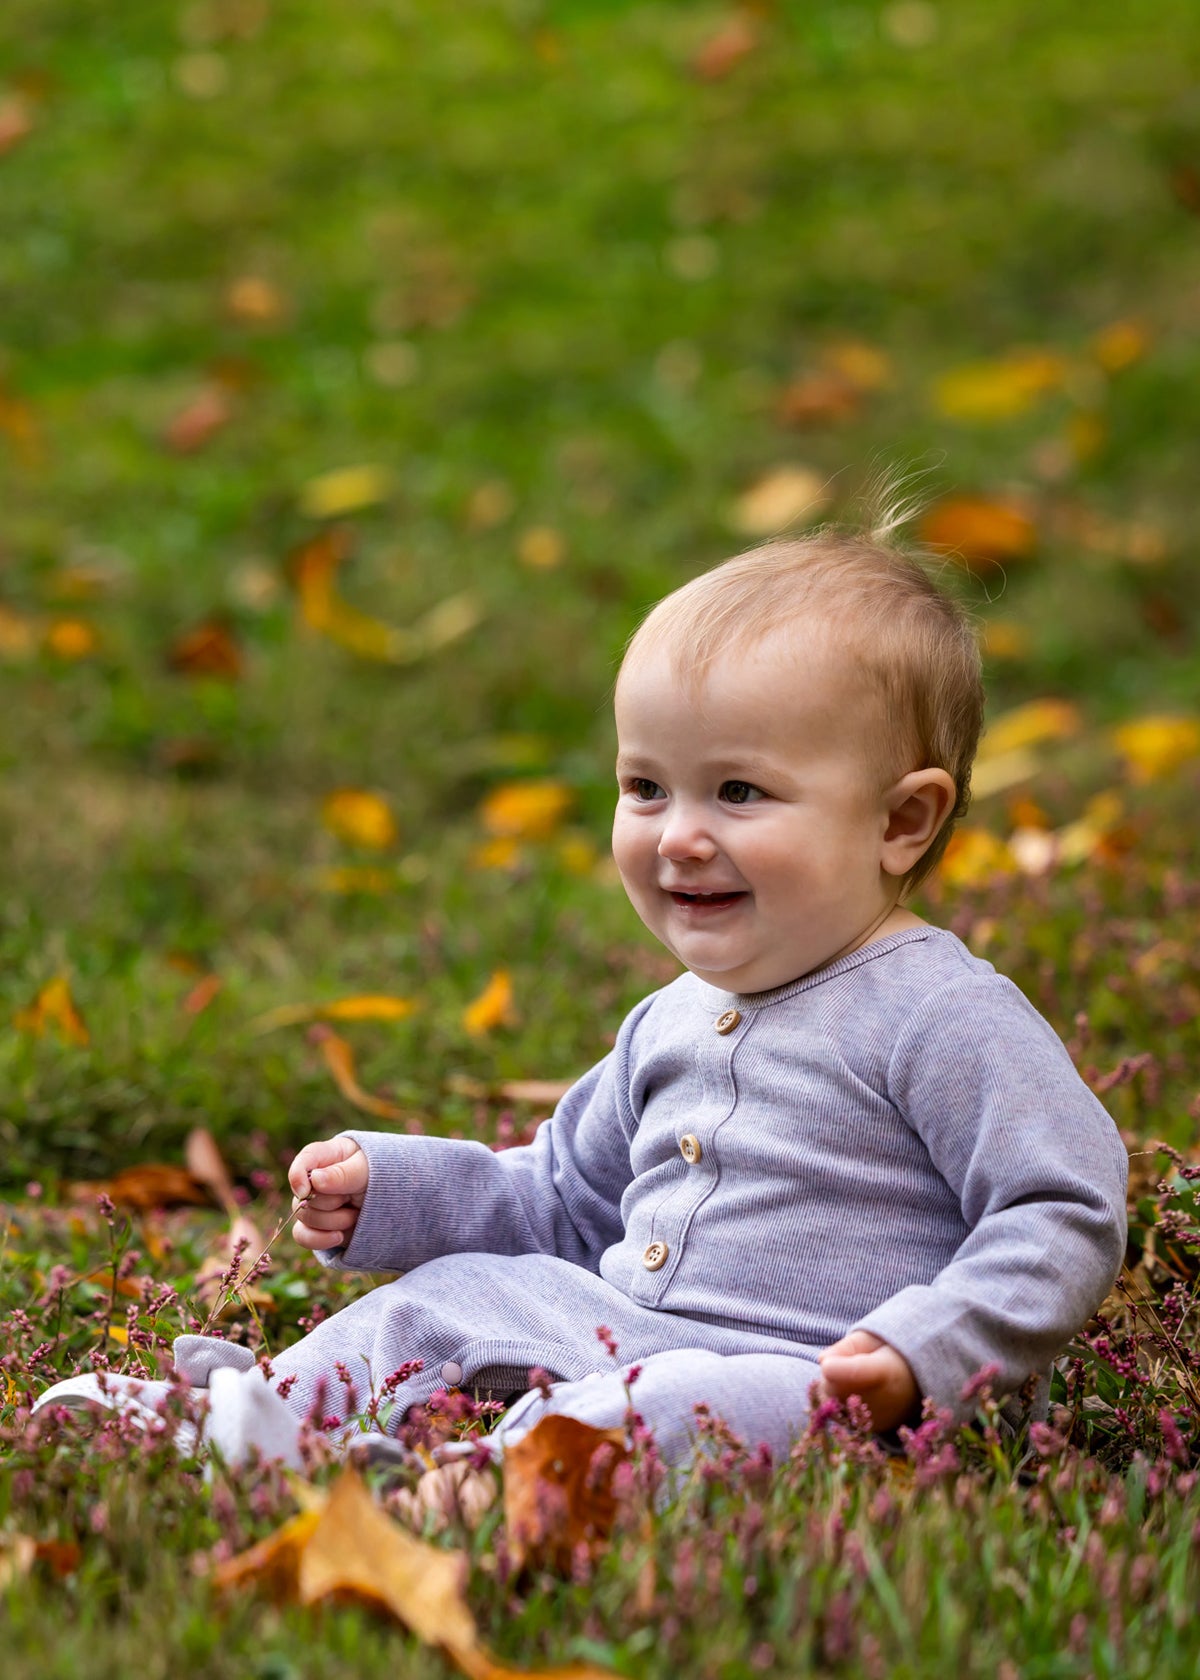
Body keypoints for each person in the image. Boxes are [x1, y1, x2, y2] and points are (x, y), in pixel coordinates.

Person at [268, 523, 1128, 1475]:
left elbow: (1063, 1207)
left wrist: (923, 1352)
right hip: (630, 1332)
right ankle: (243, 1415)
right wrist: (396, 1195)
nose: (678, 836)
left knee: (677, 1406)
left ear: (900, 820)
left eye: (738, 791)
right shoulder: (672, 1017)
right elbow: (563, 1201)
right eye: (645, 786)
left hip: (823, 1381)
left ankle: (505, 1484)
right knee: (453, 1292)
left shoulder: (941, 1015)